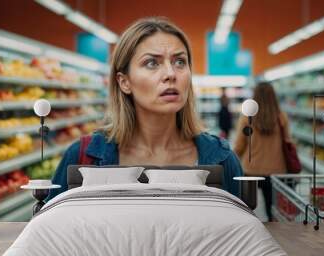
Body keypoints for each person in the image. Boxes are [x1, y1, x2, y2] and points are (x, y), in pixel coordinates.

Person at [47, 17, 243, 201]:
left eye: (180, 62)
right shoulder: (82, 156)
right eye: (152, 63)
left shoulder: (222, 158)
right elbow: (48, 232)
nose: (170, 73)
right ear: (124, 82)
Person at [234, 82, 291, 221]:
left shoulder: (247, 117)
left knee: (246, 211)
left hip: (250, 170)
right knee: (274, 213)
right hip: (276, 171)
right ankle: (275, 238)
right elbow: (288, 142)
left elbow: (239, 146)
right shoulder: (281, 117)